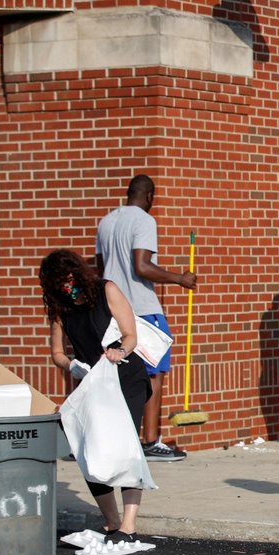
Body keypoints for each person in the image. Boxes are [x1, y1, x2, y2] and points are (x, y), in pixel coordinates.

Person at [40, 249, 151, 543]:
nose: (66, 286)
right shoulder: (61, 307)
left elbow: (130, 334)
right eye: (58, 282)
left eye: (68, 278)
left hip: (125, 376)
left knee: (125, 445)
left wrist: (120, 351)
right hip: (93, 382)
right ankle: (111, 519)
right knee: (89, 449)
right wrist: (71, 365)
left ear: (77, 272)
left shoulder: (106, 290)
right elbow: (56, 353)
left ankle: (128, 524)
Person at [96, 175, 196, 462]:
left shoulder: (106, 221)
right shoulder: (143, 220)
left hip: (112, 309)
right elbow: (141, 266)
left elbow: (102, 270)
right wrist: (180, 278)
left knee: (119, 374)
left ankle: (115, 439)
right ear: (149, 196)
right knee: (155, 373)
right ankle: (150, 441)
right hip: (141, 308)